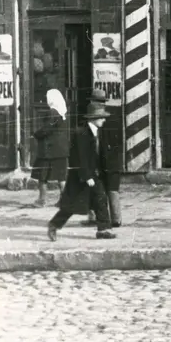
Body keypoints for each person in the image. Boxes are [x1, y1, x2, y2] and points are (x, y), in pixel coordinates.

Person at [47, 102, 116, 241]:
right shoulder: (81, 133)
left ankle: (103, 229)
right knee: (72, 205)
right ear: (93, 118)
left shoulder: (98, 132)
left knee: (100, 199)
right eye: (101, 117)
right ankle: (54, 225)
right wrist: (87, 176)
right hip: (81, 175)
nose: (104, 120)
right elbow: (79, 157)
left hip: (95, 174)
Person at [83, 88, 122, 227]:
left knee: (100, 189)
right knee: (112, 188)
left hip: (104, 158)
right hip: (112, 157)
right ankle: (116, 218)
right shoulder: (113, 114)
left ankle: (96, 217)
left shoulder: (96, 115)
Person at [29, 89, 70, 207]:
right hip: (61, 150)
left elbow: (47, 129)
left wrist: (35, 134)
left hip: (49, 150)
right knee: (61, 177)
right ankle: (65, 201)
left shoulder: (53, 112)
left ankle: (41, 200)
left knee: (42, 175)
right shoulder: (62, 113)